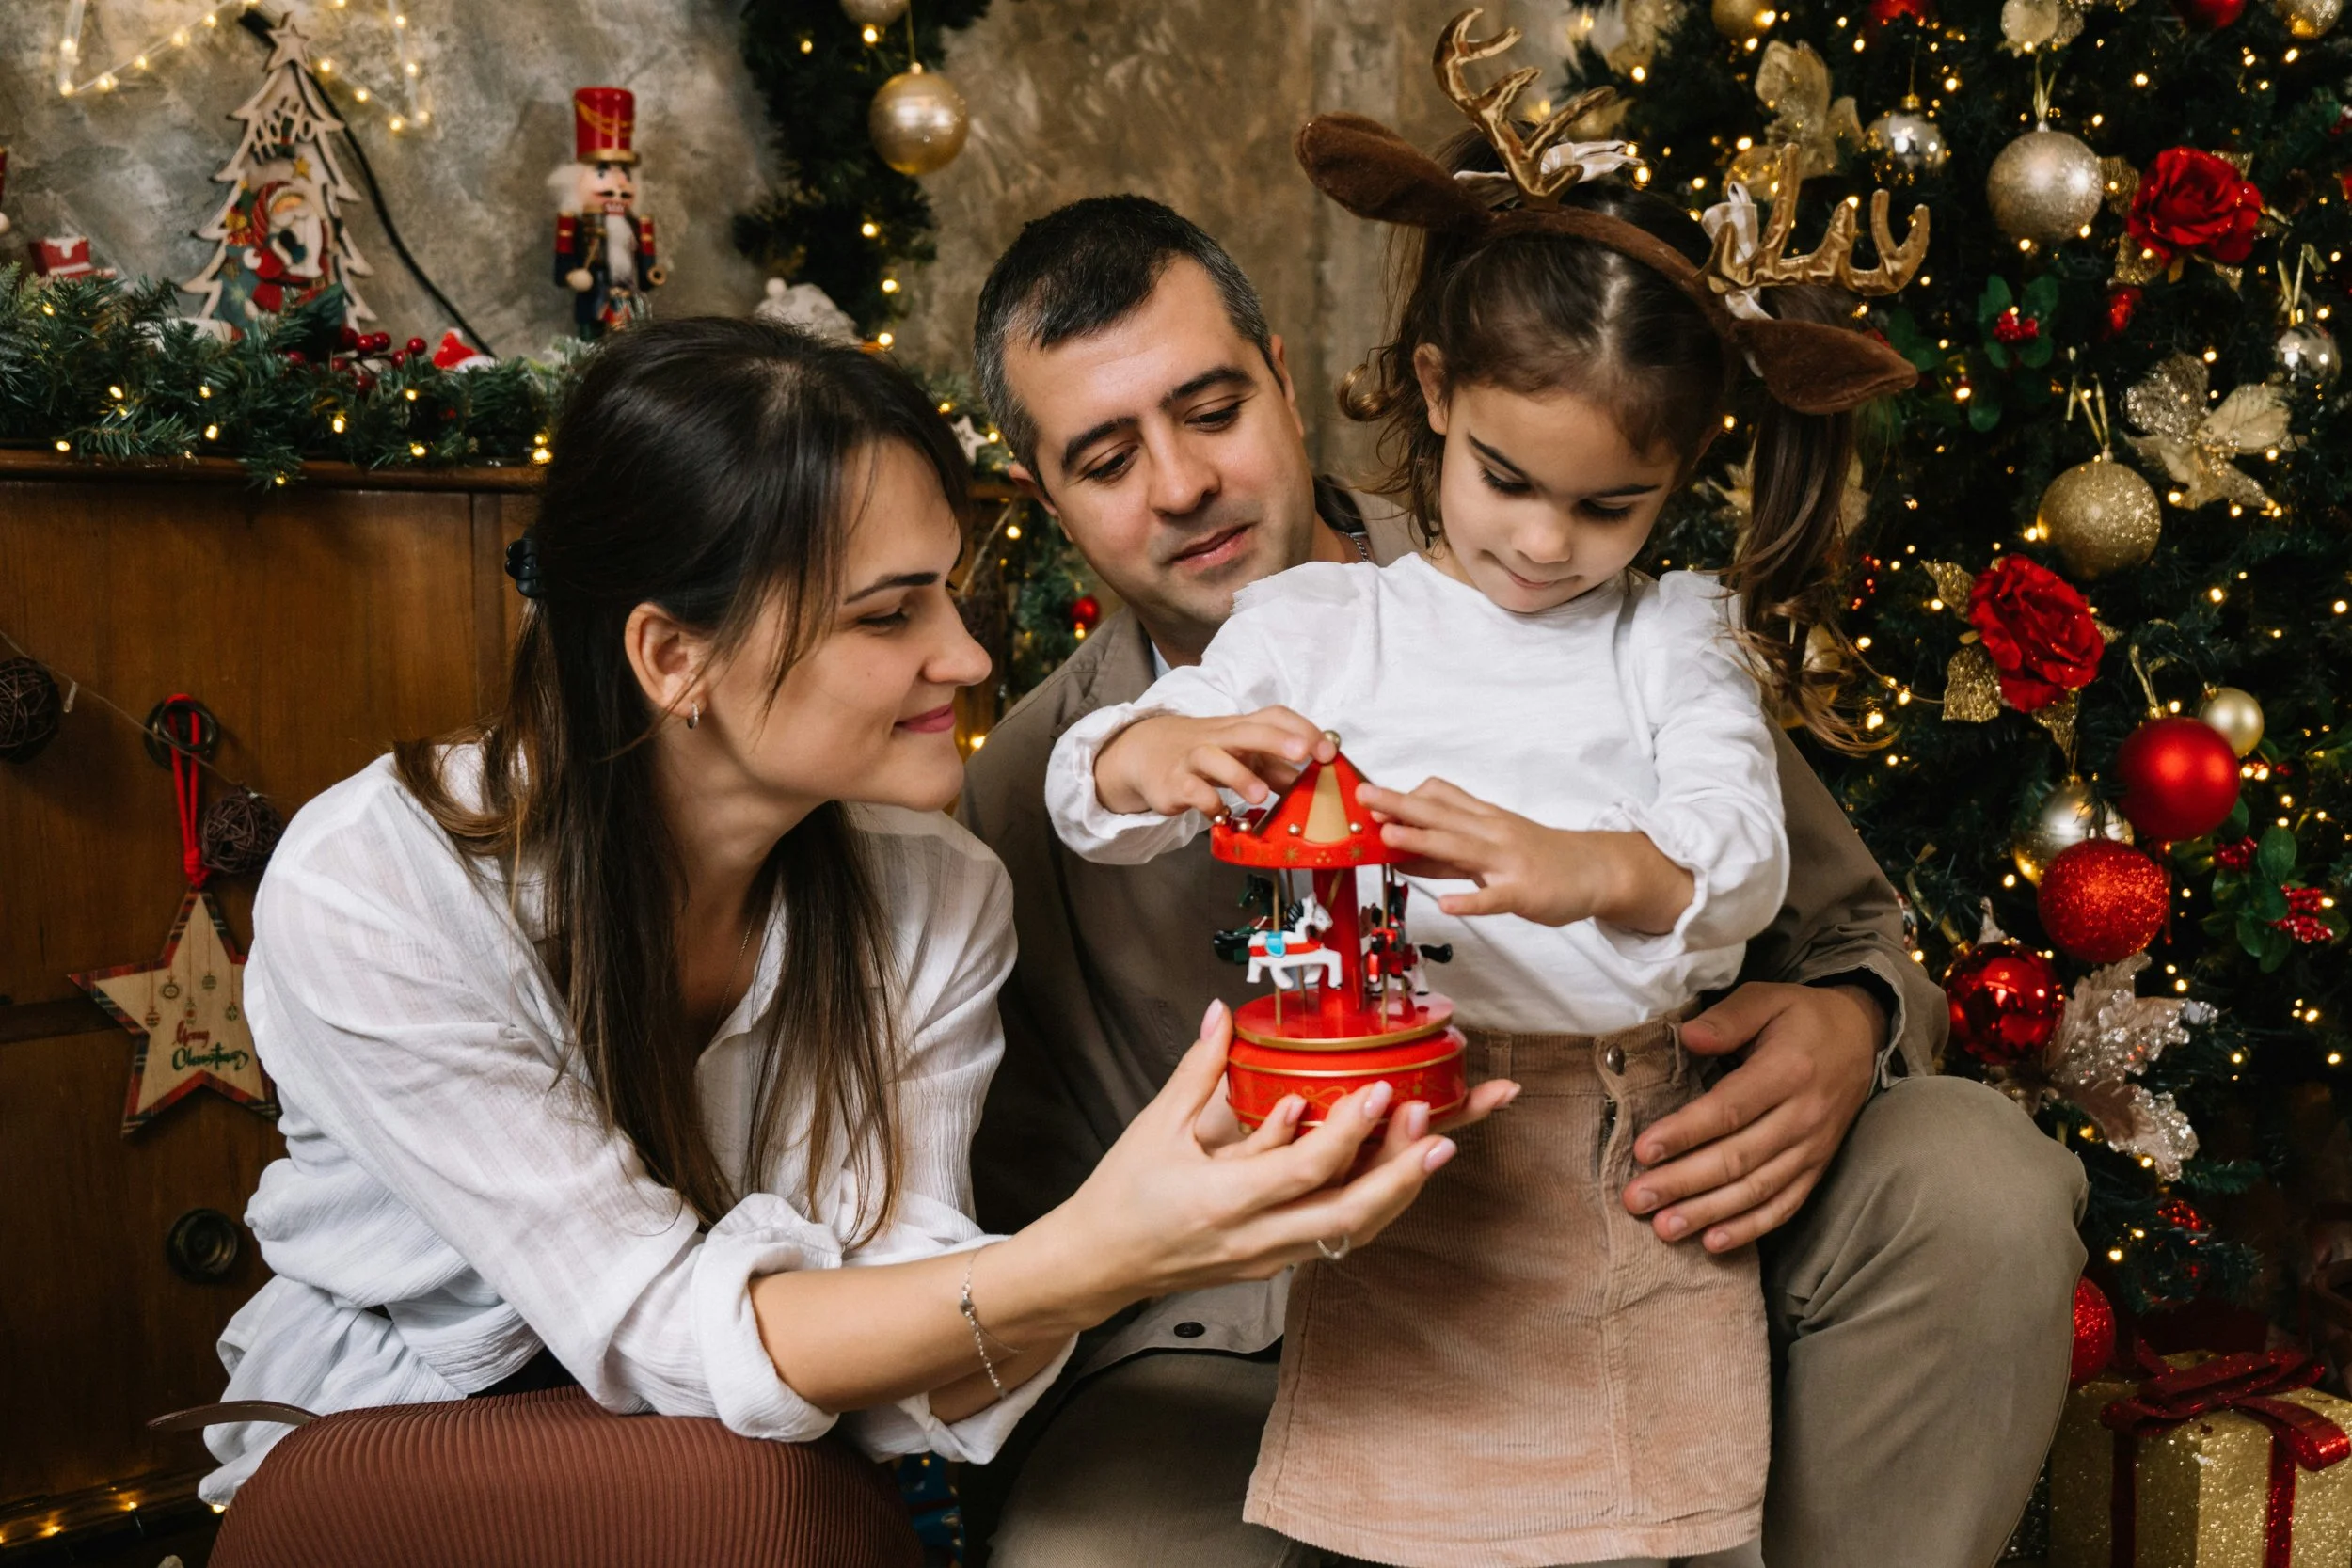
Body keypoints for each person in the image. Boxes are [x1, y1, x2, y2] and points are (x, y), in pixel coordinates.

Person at [958, 196, 2088, 1568]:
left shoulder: (1569, 585)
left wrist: (1850, 1019)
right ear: (1041, 493)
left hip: (1643, 1193)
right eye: (1106, 457)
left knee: (1977, 1180)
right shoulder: (1029, 782)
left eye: (1211, 409)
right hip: (1259, 1338)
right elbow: (1005, 1201)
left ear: (1283, 379)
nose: (1183, 482)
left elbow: (1821, 903)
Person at [196, 318, 1480, 1521]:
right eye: (887, 613)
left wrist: (1165, 1222)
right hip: (397, 1448)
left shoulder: (933, 891)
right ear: (673, 658)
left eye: (950, 595)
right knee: (755, 1513)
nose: (969, 659)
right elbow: (661, 1335)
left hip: (761, 1467)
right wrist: (1101, 1252)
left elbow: (907, 1362)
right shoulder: (383, 884)